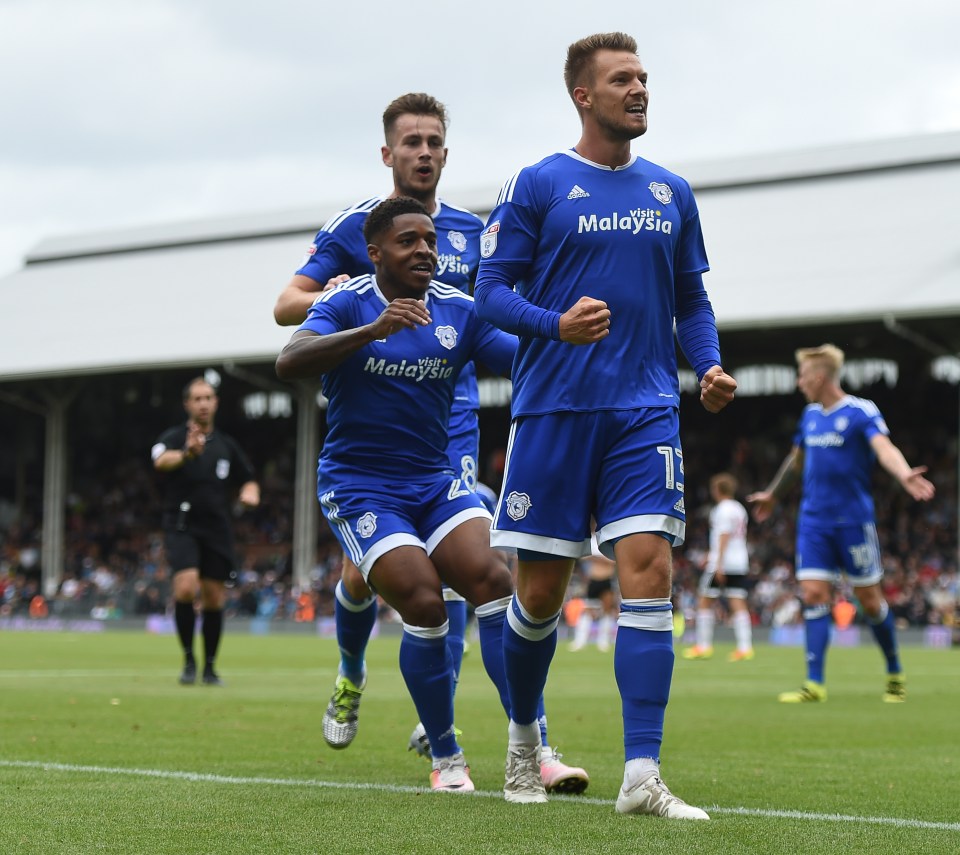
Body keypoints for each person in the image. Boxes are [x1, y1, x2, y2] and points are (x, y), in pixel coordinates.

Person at [274, 93, 587, 794]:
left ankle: (524, 742)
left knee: (479, 579)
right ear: (388, 154)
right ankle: (360, 680)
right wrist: (367, 312)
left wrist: (579, 335)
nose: (422, 151)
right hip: (363, 449)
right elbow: (286, 315)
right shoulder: (355, 242)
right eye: (409, 141)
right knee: (387, 580)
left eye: (433, 141)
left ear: (447, 152)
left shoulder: (474, 240)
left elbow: (508, 329)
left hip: (448, 422)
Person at [474, 31, 736, 817]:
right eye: (623, 79)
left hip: (646, 409)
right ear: (582, 95)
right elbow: (489, 292)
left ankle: (642, 773)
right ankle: (524, 740)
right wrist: (555, 325)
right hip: (553, 411)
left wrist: (710, 365)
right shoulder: (540, 182)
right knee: (543, 596)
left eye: (645, 77)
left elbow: (691, 300)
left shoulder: (671, 192)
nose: (640, 89)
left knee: (649, 567)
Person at [747, 344, 935, 703]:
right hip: (813, 522)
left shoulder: (861, 411)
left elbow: (884, 448)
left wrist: (903, 474)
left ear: (819, 377)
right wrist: (773, 494)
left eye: (802, 376)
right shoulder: (810, 416)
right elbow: (796, 460)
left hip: (853, 522)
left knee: (869, 600)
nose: (799, 382)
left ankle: (895, 671)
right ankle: (814, 683)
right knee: (814, 595)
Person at [152, 378, 260, 686]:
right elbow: (161, 461)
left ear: (216, 403)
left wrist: (250, 492)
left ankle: (210, 667)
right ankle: (188, 660)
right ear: (187, 404)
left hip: (217, 526)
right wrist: (187, 453)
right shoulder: (173, 438)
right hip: (181, 523)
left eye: (208, 397)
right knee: (185, 588)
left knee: (214, 597)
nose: (203, 403)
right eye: (197, 398)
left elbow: (248, 477)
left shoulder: (227, 445)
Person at [683, 473, 754, 662]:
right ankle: (745, 648)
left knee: (704, 600)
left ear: (717, 490)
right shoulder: (739, 509)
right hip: (739, 561)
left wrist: (718, 562)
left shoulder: (721, 509)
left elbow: (724, 535)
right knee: (738, 601)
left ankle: (703, 646)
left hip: (723, 562)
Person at [568, 537, 618, 652]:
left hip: (606, 580)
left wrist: (599, 559)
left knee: (607, 611)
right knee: (586, 611)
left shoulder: (611, 542)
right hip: (593, 580)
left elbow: (615, 561)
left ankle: (603, 641)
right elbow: (582, 557)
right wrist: (595, 558)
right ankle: (580, 641)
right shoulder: (592, 540)